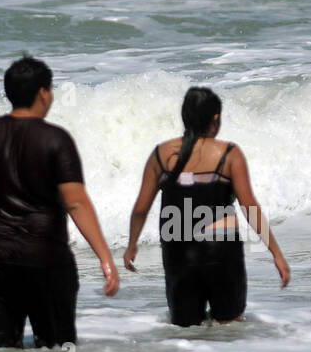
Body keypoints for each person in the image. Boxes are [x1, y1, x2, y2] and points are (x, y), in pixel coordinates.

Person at [0, 56, 118, 349]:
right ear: (44, 93)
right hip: (46, 259)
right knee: (61, 350)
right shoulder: (55, 139)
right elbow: (76, 203)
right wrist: (105, 258)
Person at [123, 86, 290, 327]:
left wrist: (131, 246)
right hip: (221, 249)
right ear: (215, 119)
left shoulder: (161, 155)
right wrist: (276, 253)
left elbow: (140, 208)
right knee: (230, 327)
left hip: (178, 249)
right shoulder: (229, 154)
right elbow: (249, 207)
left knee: (186, 331)